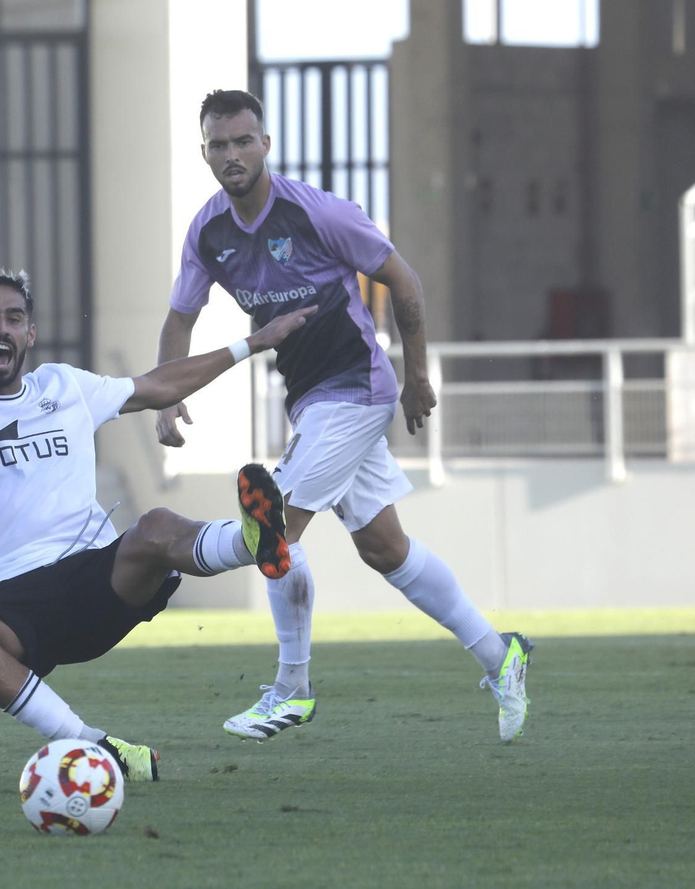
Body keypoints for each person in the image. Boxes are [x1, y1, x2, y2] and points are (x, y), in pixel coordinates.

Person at [155, 89, 532, 744]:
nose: (233, 154)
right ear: (205, 153)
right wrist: (165, 395)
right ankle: (504, 659)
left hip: (356, 388)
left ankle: (292, 689)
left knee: (274, 532)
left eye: (244, 140)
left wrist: (418, 377)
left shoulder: (317, 211)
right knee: (386, 548)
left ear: (265, 145)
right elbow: (180, 314)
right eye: (220, 144)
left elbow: (404, 281)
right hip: (314, 401)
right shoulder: (208, 232)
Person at [0, 265, 314, 781]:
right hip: (7, 605)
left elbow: (157, 386)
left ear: (30, 334)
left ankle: (254, 542)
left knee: (153, 525)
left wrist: (253, 342)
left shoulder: (65, 386)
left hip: (92, 578)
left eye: (14, 319)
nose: (1, 329)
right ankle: (94, 746)